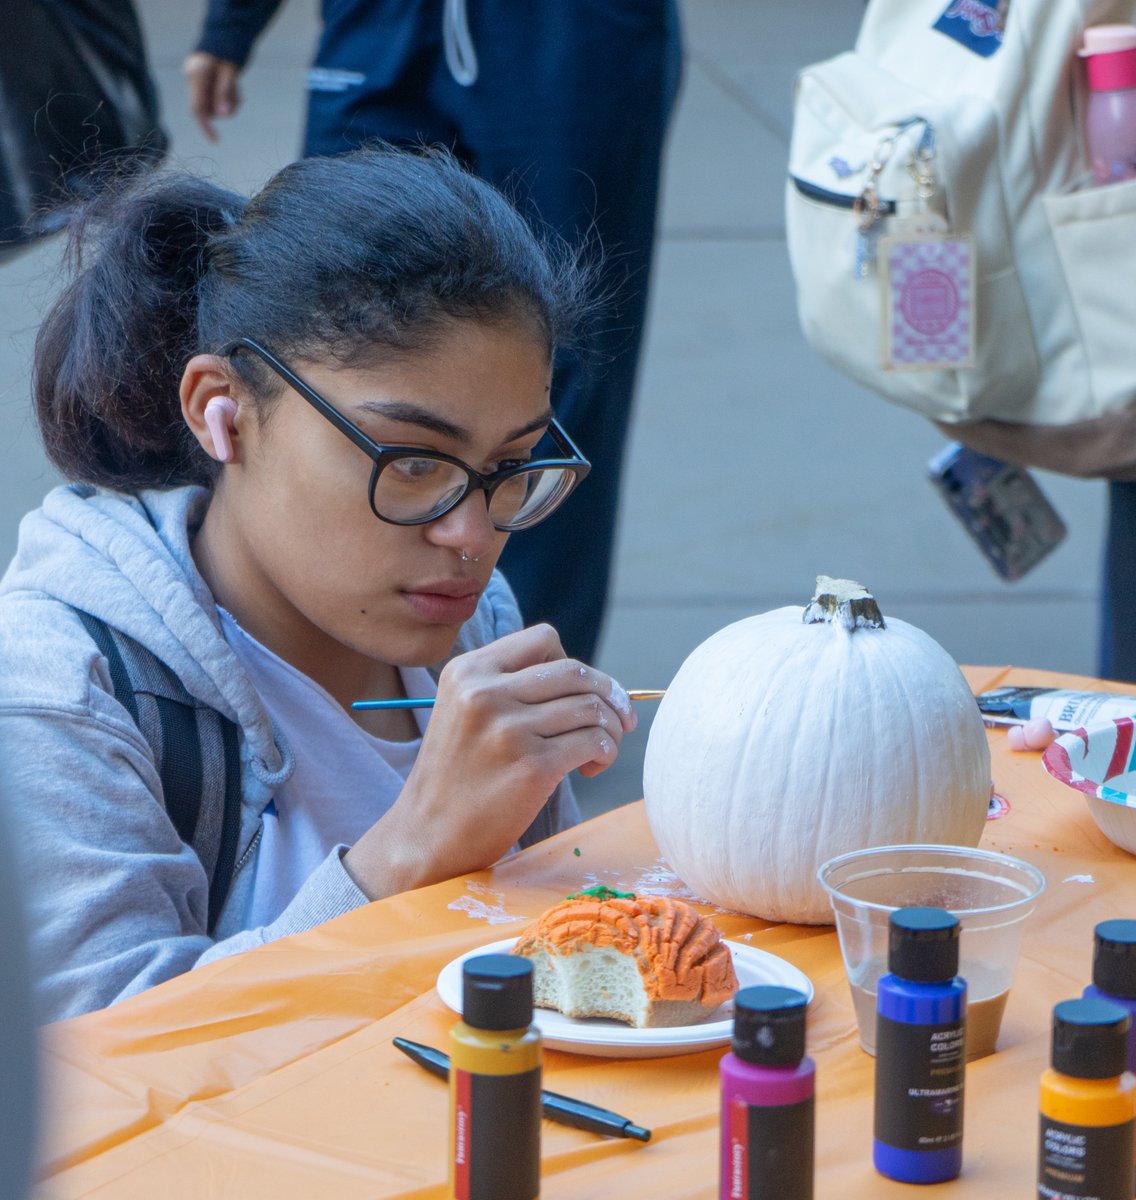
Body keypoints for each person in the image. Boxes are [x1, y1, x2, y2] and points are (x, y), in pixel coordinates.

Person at [0, 146, 637, 1023]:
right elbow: (100, 1070)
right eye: (411, 462)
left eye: (513, 465)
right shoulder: (66, 687)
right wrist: (408, 854)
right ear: (219, 409)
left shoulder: (475, 624)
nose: (471, 533)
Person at [183, 0, 683, 664]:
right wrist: (231, 25)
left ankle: (524, 681)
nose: (469, 535)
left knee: (560, 368)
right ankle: (307, 675)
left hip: (569, 31)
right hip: (383, 19)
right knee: (320, 349)